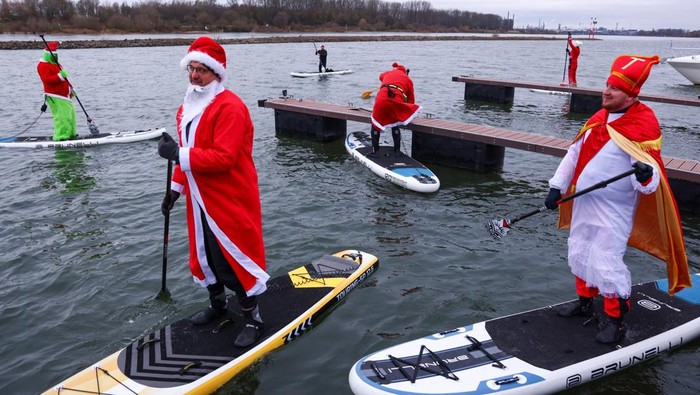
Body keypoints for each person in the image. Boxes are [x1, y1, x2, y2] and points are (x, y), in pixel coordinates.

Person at [545, 54, 691, 344]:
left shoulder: (643, 124)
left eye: (614, 89)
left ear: (630, 95)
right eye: (607, 85)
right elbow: (574, 153)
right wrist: (556, 186)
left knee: (607, 262)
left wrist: (644, 175)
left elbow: (653, 184)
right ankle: (584, 303)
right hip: (584, 202)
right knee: (581, 250)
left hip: (614, 210)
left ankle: (616, 322)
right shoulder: (599, 117)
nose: (606, 91)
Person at [158, 36, 269, 348]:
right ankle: (219, 307)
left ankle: (253, 319)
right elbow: (188, 155)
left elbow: (224, 158)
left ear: (216, 73)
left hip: (229, 196)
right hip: (199, 199)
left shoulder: (231, 107)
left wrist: (177, 154)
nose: (195, 76)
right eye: (191, 70)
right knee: (204, 257)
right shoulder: (187, 107)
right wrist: (174, 191)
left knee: (231, 260)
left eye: (202, 71)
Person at [369, 62, 421, 156]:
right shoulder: (408, 80)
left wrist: (388, 77)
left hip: (382, 97)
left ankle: (375, 151)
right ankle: (397, 151)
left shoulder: (389, 73)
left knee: (375, 124)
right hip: (396, 100)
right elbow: (411, 100)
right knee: (395, 122)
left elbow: (381, 76)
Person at [37, 41, 77, 141]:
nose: (55, 57)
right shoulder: (42, 66)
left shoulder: (56, 64)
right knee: (61, 116)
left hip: (65, 95)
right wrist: (60, 76)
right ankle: (61, 136)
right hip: (55, 95)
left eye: (56, 55)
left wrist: (71, 88)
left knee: (70, 115)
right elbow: (47, 79)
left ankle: (71, 134)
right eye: (53, 55)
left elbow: (64, 79)